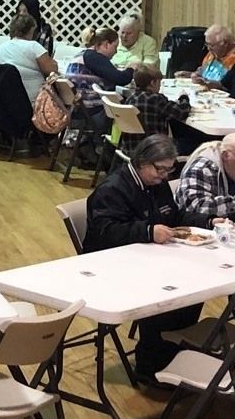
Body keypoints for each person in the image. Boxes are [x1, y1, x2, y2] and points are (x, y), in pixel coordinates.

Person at [83, 134, 199, 379]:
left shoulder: (158, 183)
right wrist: (147, 231)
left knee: (195, 283)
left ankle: (172, 352)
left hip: (147, 258)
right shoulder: (112, 189)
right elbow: (105, 233)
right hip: (108, 265)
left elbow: (174, 218)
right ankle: (151, 364)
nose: (165, 176)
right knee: (171, 289)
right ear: (142, 162)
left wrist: (207, 222)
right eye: (160, 169)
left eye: (169, 170)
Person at [0, 11, 56, 102]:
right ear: (31, 30)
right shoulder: (34, 47)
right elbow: (51, 70)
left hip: (5, 103)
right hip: (34, 103)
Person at [116, 62, 191, 135]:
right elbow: (182, 112)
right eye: (159, 83)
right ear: (153, 83)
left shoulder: (130, 98)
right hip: (153, 145)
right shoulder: (155, 99)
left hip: (131, 145)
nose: (160, 86)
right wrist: (184, 97)